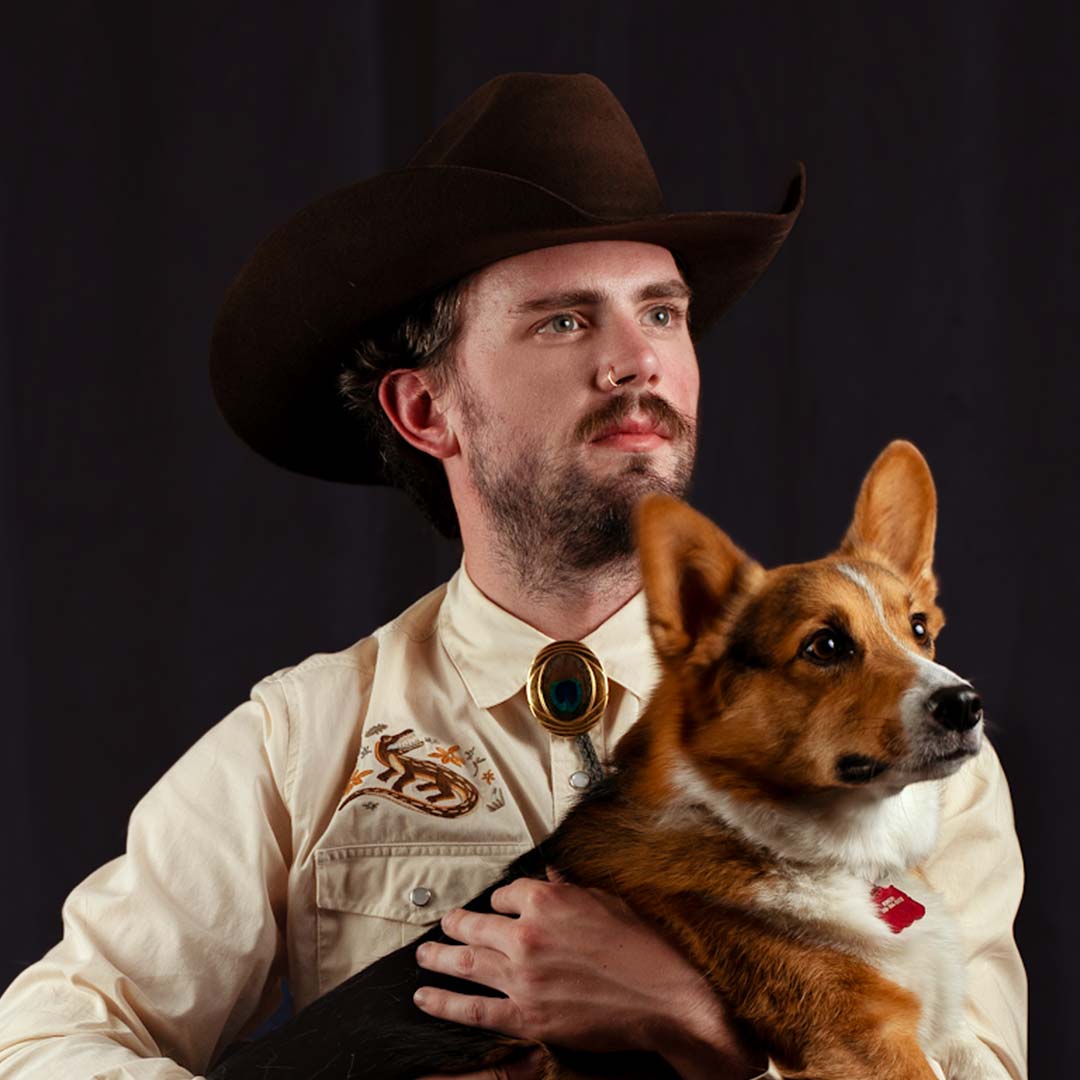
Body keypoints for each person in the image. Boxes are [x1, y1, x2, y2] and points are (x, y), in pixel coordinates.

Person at [0, 73, 1026, 1080]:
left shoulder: (918, 751)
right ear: (425, 411)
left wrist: (706, 1034)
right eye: (566, 320)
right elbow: (35, 1047)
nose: (638, 362)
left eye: (662, 313)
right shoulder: (305, 741)